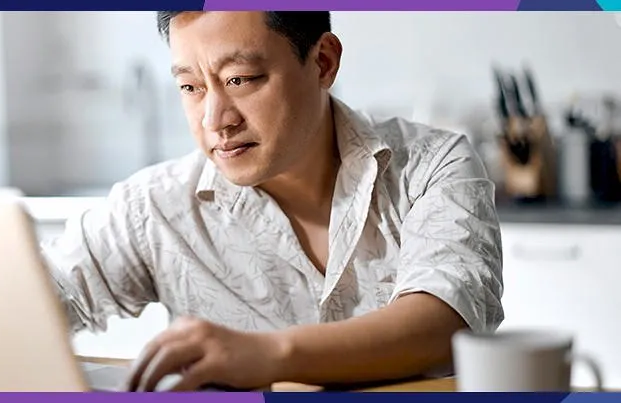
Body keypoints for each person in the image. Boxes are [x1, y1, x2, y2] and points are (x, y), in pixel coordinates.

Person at [41, 11, 504, 392]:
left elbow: (444, 320)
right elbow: (39, 300)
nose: (215, 120)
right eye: (190, 87)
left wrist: (270, 356)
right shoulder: (152, 208)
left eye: (240, 79)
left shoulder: (431, 166)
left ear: (323, 62)